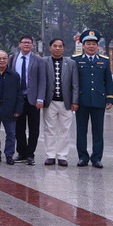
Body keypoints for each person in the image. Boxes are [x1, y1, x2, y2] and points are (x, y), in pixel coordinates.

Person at [73, 29, 113, 168]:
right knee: (81, 131)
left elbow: (108, 81)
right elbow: (73, 82)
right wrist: (74, 100)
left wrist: (109, 98)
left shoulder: (104, 61)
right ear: (83, 45)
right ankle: (83, 157)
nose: (91, 46)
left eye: (94, 44)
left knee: (98, 131)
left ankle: (96, 158)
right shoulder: (76, 60)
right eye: (88, 43)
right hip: (82, 101)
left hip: (98, 101)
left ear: (98, 46)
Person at [41, 38, 78, 167]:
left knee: (65, 130)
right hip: (50, 102)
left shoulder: (71, 63)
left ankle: (62, 156)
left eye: (60, 46)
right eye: (54, 46)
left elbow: (75, 84)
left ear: (64, 48)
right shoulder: (44, 62)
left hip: (66, 102)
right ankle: (50, 155)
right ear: (50, 47)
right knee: (49, 129)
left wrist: (75, 101)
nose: (57, 48)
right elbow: (42, 81)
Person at [10, 35, 46, 165]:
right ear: (19, 44)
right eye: (24, 42)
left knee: (33, 128)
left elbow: (42, 80)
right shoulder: (12, 58)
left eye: (29, 43)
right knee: (19, 128)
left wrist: (40, 98)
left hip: (33, 99)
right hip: (18, 98)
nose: (26, 45)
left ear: (32, 45)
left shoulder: (38, 60)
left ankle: (31, 154)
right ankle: (21, 153)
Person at [0, 50, 22, 164]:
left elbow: (19, 93)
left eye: (4, 58)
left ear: (8, 60)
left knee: (11, 133)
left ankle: (9, 154)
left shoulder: (14, 75)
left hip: (9, 107)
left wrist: (18, 109)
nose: (2, 61)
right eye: (0, 59)